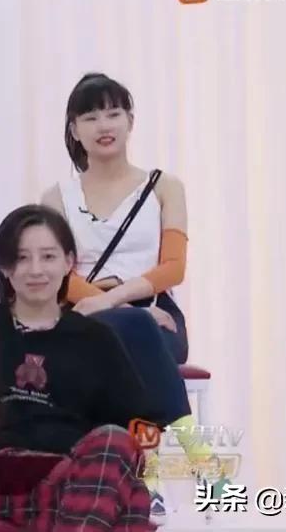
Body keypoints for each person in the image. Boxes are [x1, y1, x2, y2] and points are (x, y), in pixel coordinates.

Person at [0, 204, 160, 531]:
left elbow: (138, 426)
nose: (36, 270)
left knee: (114, 446)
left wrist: (142, 467)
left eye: (48, 257)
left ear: (69, 262)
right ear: (4, 266)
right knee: (129, 505)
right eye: (22, 258)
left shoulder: (95, 337)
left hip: (77, 473)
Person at [41, 72, 227, 522]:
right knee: (128, 333)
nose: (104, 125)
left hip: (158, 315)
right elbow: (57, 275)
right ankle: (195, 458)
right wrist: (121, 309)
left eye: (113, 113)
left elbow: (173, 268)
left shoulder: (164, 186)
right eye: (90, 116)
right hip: (87, 318)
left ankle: (149, 481)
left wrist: (119, 302)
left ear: (130, 120)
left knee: (131, 338)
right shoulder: (56, 198)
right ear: (74, 129)